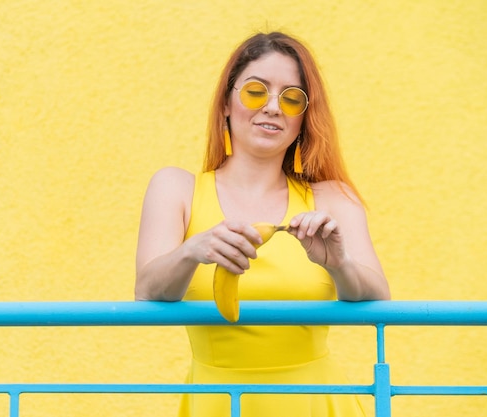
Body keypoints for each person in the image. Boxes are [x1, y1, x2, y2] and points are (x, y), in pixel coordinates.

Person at [135, 31, 390, 417]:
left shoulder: (333, 198)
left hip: (316, 405)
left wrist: (338, 263)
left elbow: (379, 299)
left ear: (304, 119)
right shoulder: (176, 188)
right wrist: (191, 252)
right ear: (226, 102)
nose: (273, 107)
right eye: (256, 91)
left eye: (292, 98)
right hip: (215, 404)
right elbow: (147, 290)